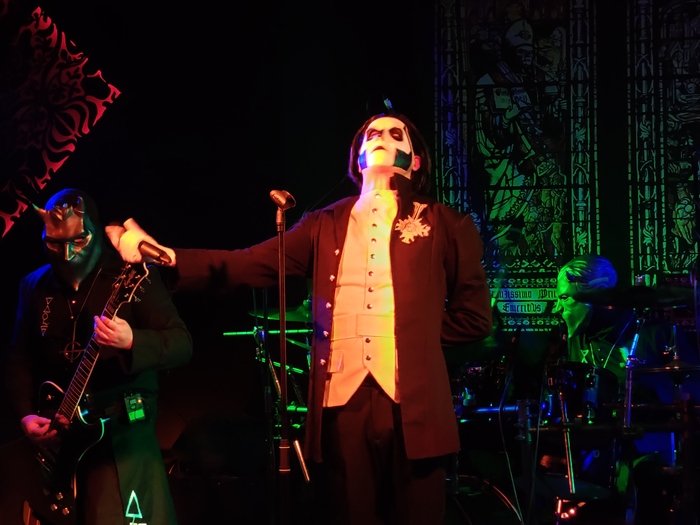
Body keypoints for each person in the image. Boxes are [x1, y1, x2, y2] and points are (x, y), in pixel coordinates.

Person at [106, 112, 493, 524]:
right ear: (357, 158)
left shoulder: (447, 224)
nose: (380, 137)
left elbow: (474, 319)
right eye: (371, 134)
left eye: (394, 133)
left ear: (415, 160)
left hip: (415, 405)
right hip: (341, 400)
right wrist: (166, 256)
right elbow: (246, 263)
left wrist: (414, 340)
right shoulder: (323, 224)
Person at [4, 188, 193, 525]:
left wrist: (132, 341)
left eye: (77, 242)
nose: (67, 254)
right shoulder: (33, 285)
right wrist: (25, 414)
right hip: (60, 437)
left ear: (93, 230)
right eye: (54, 244)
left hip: (122, 431)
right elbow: (19, 357)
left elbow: (182, 344)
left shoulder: (131, 273)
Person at [548, 253, 699, 524]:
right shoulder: (572, 343)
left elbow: (693, 395)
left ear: (598, 294)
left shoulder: (658, 335)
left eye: (566, 298)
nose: (557, 308)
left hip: (651, 455)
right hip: (593, 461)